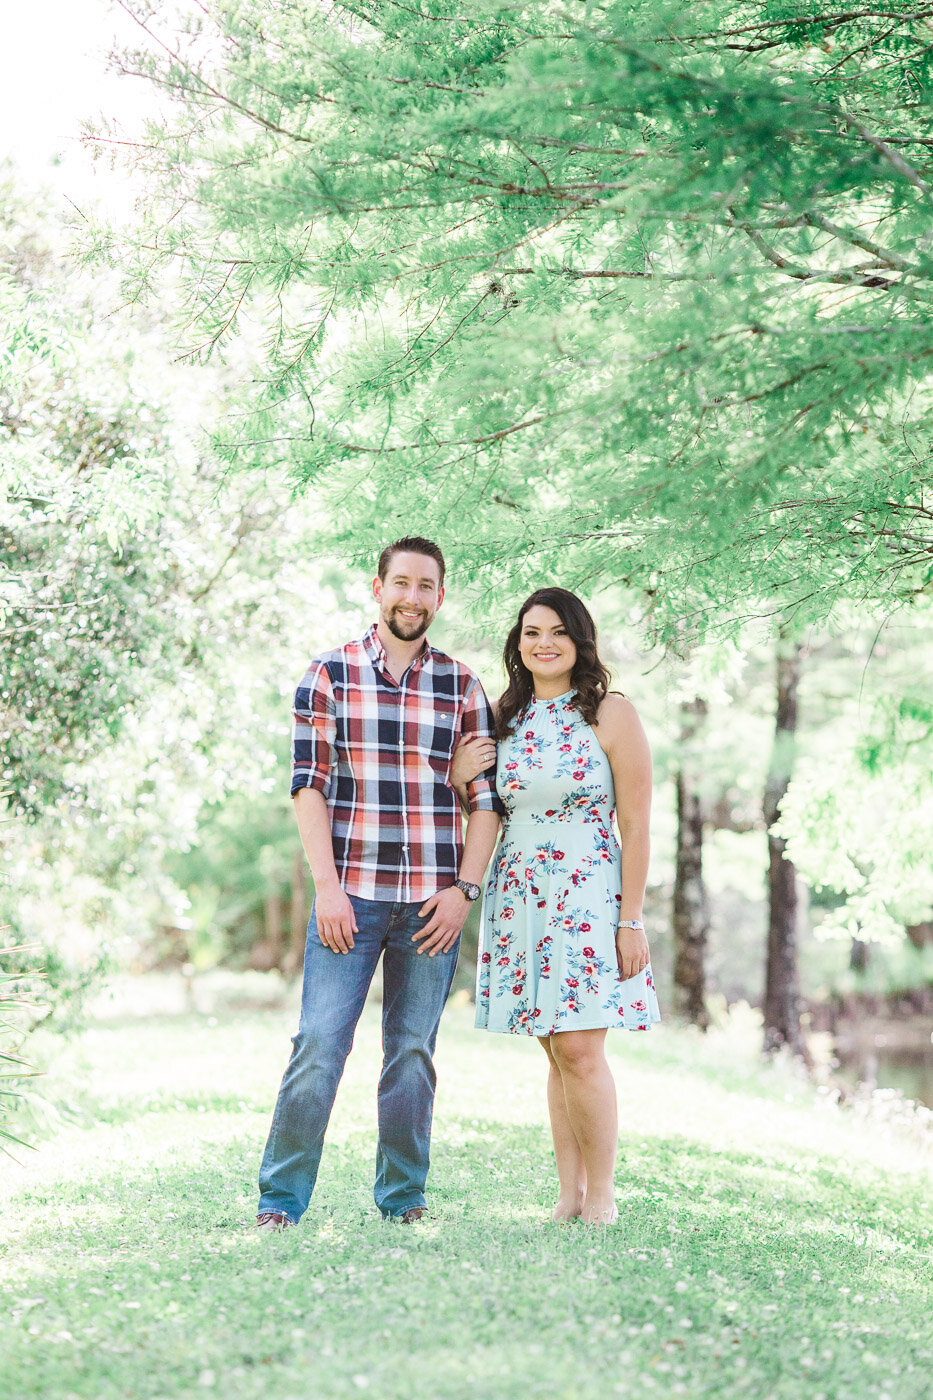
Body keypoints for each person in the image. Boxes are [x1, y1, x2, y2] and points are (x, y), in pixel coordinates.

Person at [255, 537, 502, 1229]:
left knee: (413, 1055)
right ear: (377, 587)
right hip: (351, 898)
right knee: (319, 1045)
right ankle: (280, 1201)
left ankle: (402, 1200)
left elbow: (484, 802)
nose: (413, 597)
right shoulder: (328, 674)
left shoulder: (460, 684)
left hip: (432, 903)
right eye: (401, 583)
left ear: (440, 596)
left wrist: (463, 891)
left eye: (427, 586)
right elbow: (309, 787)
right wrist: (326, 886)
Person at [451, 587, 659, 1225]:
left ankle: (602, 1198)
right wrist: (462, 781)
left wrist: (630, 918)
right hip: (520, 895)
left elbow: (639, 825)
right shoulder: (501, 717)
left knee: (581, 1050)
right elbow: (489, 813)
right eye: (531, 631)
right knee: (553, 1048)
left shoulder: (610, 713)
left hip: (588, 893)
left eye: (558, 633)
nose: (543, 643)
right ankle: (568, 1195)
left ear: (579, 641)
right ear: (518, 643)